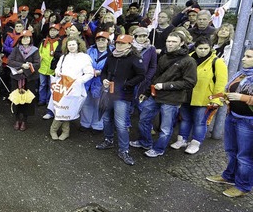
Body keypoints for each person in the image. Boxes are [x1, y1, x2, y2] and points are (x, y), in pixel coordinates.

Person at [130, 32, 197, 157]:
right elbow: (156, 77)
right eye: (168, 41)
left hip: (172, 99)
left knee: (165, 128)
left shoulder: (189, 61)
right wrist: (146, 92)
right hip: (155, 95)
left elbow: (189, 83)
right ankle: (145, 142)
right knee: (144, 119)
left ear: (182, 43)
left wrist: (166, 86)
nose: (170, 44)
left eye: (174, 41)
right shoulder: (164, 57)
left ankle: (158, 149)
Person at [206, 47, 253, 198]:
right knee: (231, 151)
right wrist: (226, 98)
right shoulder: (242, 74)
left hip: (248, 121)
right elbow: (232, 90)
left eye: (248, 56)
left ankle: (243, 186)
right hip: (233, 116)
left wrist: (242, 98)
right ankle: (229, 176)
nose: (243, 59)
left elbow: (243, 97)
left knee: (244, 156)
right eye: (244, 55)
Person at [170, 38, 227, 154]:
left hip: (204, 98)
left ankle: (196, 142)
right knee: (185, 119)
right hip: (186, 96)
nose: (203, 51)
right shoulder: (188, 58)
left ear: (210, 48)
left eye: (206, 48)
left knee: (200, 122)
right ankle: (182, 139)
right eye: (200, 48)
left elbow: (221, 82)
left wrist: (216, 99)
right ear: (195, 48)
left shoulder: (217, 62)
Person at [95, 34, 145, 165]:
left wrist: (127, 85)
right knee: (106, 119)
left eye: (122, 43)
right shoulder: (112, 55)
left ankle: (124, 150)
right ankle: (108, 140)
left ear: (129, 45)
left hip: (123, 95)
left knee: (121, 124)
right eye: (118, 43)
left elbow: (141, 75)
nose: (119, 45)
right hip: (108, 93)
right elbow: (104, 71)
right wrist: (104, 79)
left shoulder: (135, 58)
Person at [50, 36, 94, 140]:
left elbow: (89, 73)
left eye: (73, 44)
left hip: (75, 87)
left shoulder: (84, 57)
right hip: (62, 86)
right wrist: (58, 72)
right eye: (69, 45)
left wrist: (78, 81)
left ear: (78, 45)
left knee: (68, 109)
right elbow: (57, 68)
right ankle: (54, 130)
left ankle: (65, 131)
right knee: (60, 108)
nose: (71, 47)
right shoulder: (64, 56)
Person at [8, 30, 40, 131]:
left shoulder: (35, 50)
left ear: (30, 39)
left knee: (27, 100)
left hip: (29, 79)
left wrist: (26, 69)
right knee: (17, 99)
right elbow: (10, 61)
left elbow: (37, 64)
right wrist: (21, 66)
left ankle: (25, 120)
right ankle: (17, 119)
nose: (25, 39)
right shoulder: (16, 49)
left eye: (28, 37)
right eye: (23, 37)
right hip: (16, 78)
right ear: (20, 39)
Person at [81, 31, 112, 132]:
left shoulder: (112, 52)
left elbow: (113, 68)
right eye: (98, 40)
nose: (100, 42)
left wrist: (101, 72)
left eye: (103, 40)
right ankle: (85, 123)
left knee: (100, 104)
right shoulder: (89, 50)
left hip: (102, 82)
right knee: (86, 103)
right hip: (88, 81)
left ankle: (97, 125)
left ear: (108, 41)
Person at [39, 24, 61, 111]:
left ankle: (49, 101)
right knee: (42, 84)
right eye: (51, 30)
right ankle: (42, 99)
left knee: (51, 85)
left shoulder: (59, 42)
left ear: (58, 32)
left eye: (55, 30)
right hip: (43, 66)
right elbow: (40, 51)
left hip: (53, 67)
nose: (52, 32)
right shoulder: (44, 41)